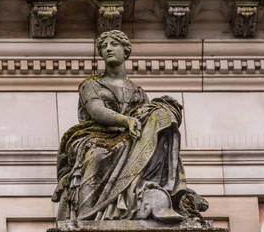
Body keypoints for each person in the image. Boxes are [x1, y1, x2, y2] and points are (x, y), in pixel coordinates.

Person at [52, 30, 189, 223]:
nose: (108, 48)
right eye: (104, 46)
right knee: (97, 156)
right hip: (97, 136)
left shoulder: (138, 92)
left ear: (126, 51)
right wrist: (126, 121)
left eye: (113, 44)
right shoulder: (90, 85)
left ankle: (144, 194)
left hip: (130, 139)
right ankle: (89, 215)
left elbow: (147, 123)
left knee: (160, 114)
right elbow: (96, 110)